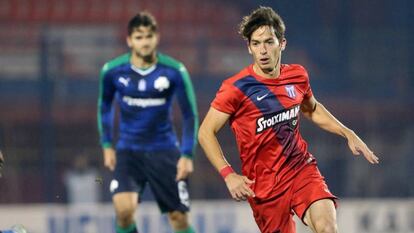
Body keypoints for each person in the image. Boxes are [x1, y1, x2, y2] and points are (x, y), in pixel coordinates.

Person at [198, 6, 379, 233]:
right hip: (264, 188)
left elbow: (312, 110)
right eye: (256, 43)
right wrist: (228, 175)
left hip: (300, 169)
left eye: (269, 42)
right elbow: (205, 132)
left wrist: (347, 132)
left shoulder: (297, 75)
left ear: (282, 43)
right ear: (249, 48)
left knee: (327, 227)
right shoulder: (236, 88)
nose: (263, 50)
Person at [97, 12, 198, 233]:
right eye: (139, 37)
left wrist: (187, 155)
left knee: (179, 218)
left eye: (149, 36)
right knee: (124, 212)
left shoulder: (174, 71)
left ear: (157, 38)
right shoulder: (112, 71)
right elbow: (104, 107)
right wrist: (107, 145)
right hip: (129, 151)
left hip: (165, 151)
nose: (145, 42)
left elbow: (190, 115)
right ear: (129, 40)